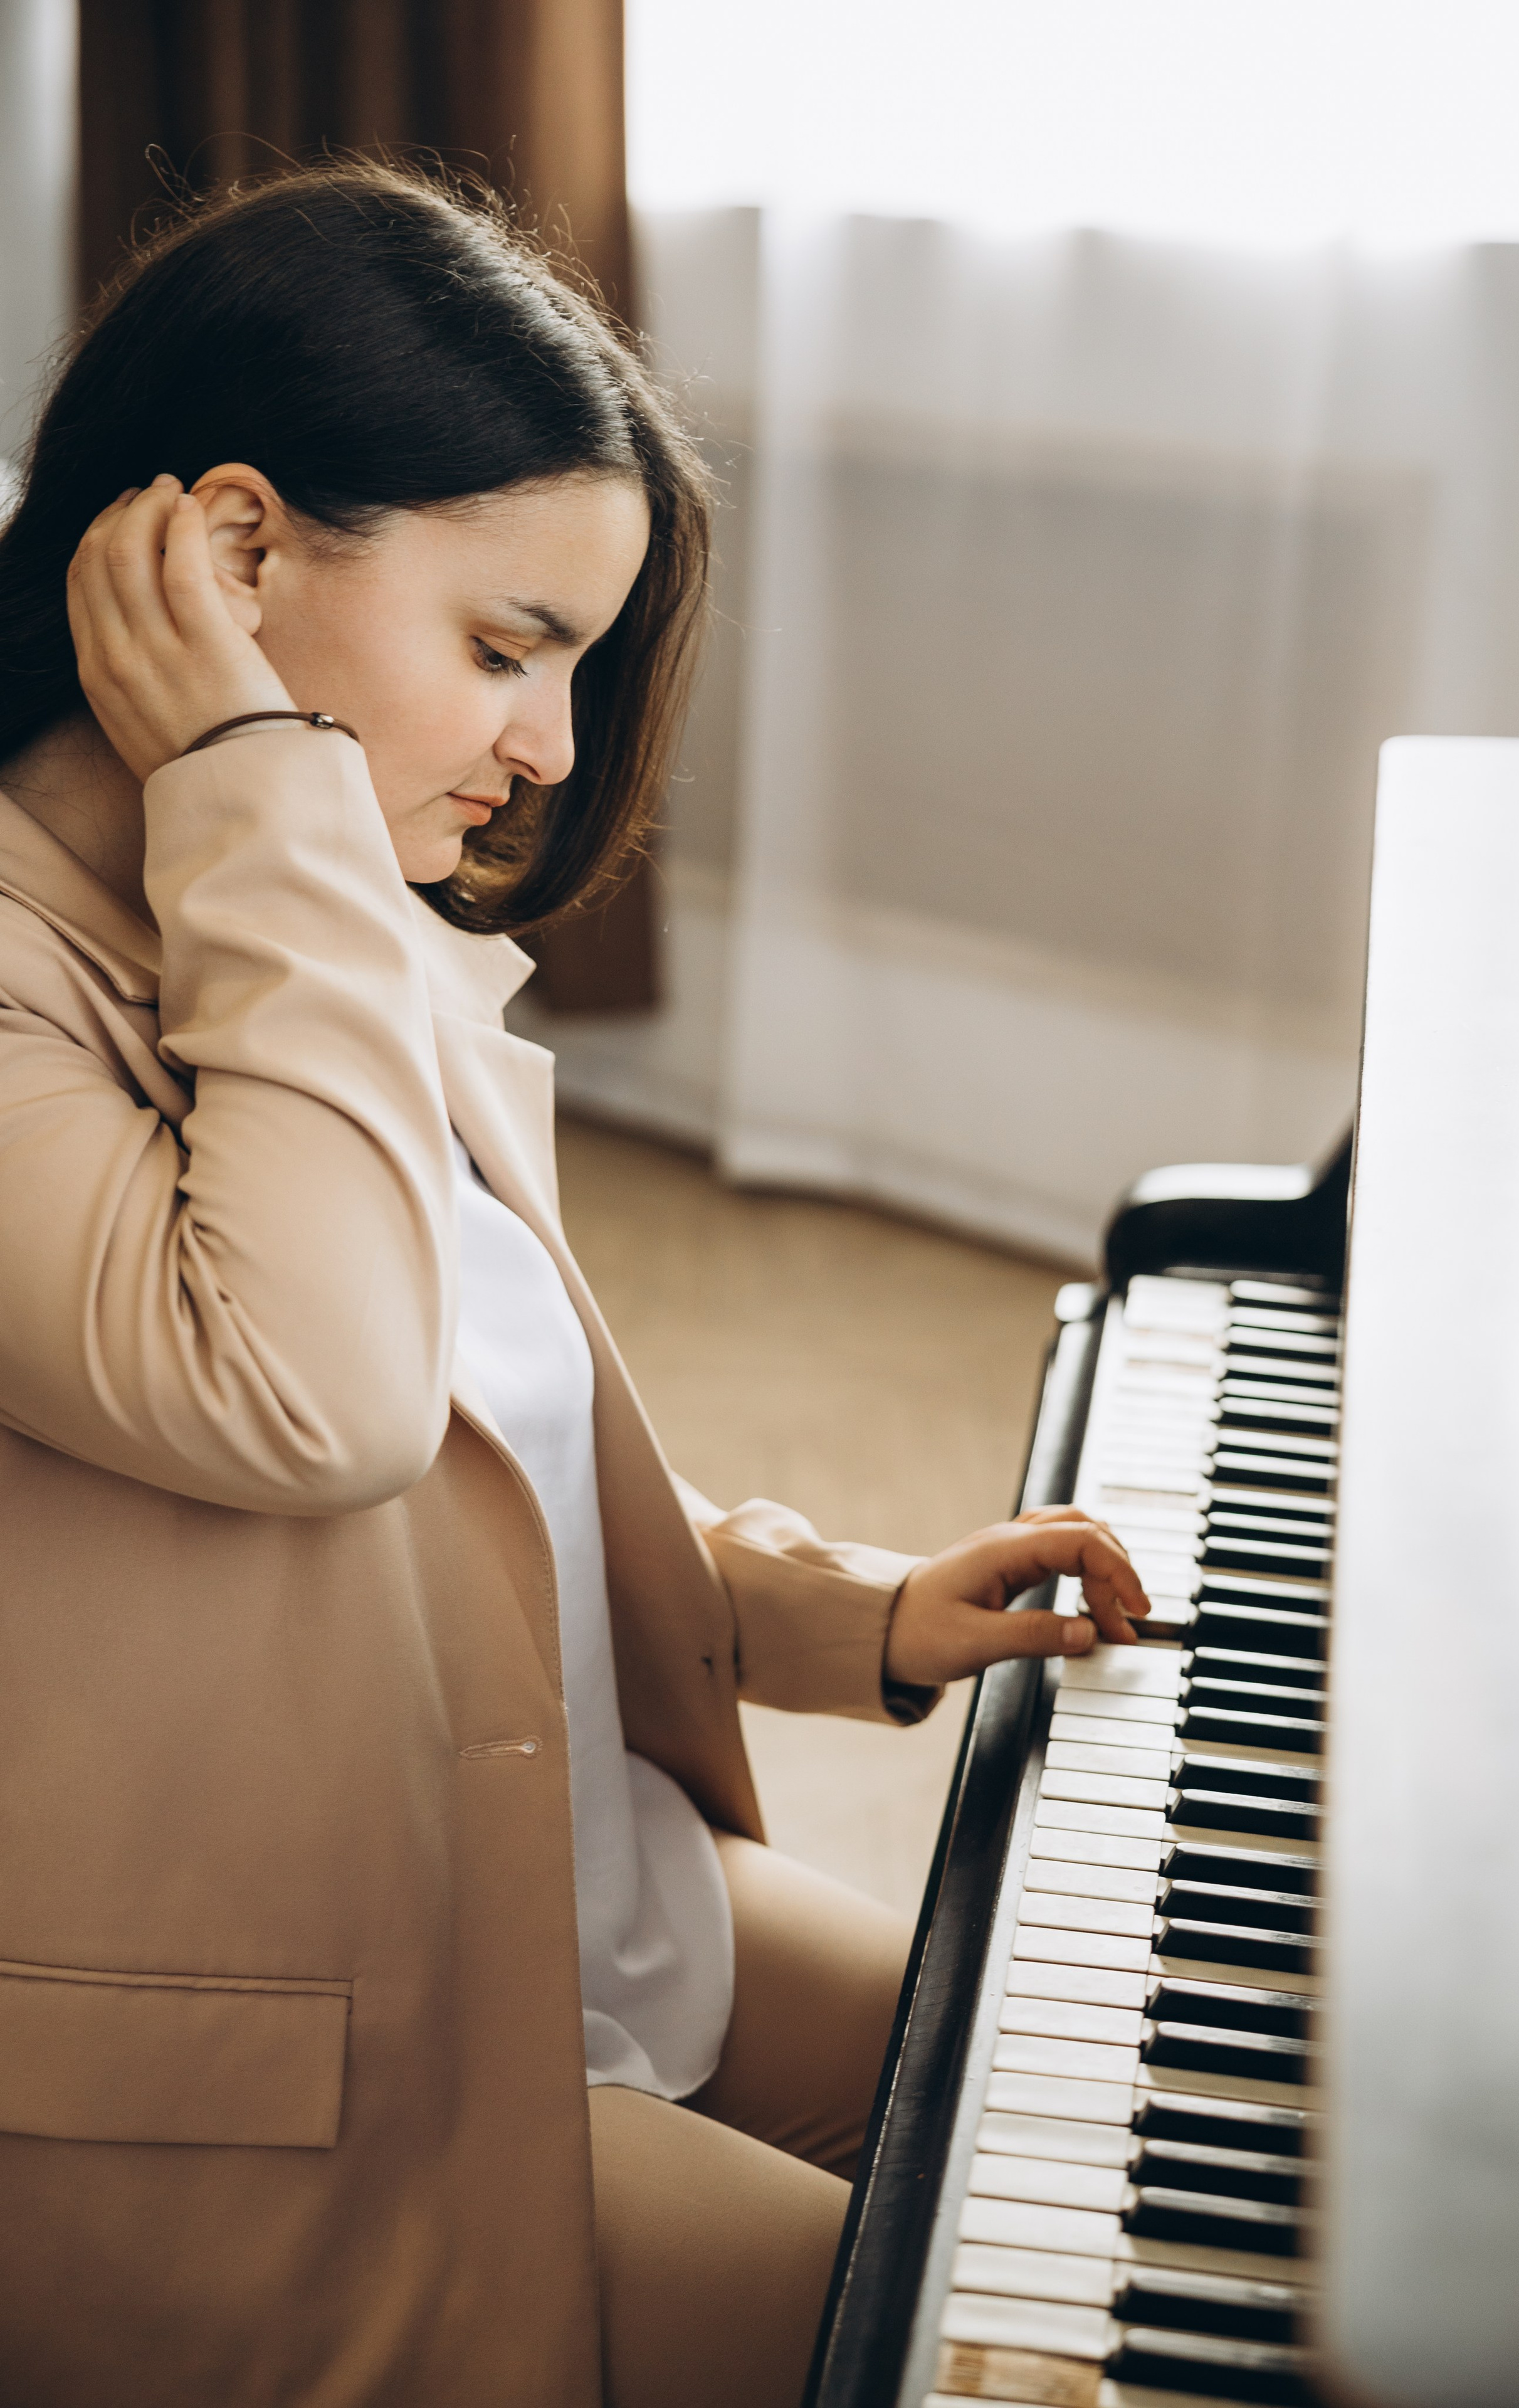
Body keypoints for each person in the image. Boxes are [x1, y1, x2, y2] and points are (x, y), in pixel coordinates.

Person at [0, 162, 1150, 2408]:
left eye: (577, 667)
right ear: (233, 557)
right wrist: (250, 785)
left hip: (556, 1872)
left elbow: (474, 1439)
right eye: (506, 648)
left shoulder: (308, 909)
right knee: (1003, 2362)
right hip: (282, 2076)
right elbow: (319, 1402)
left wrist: (826, 1608)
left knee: (1098, 2120)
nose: (547, 747)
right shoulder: (237, 912)